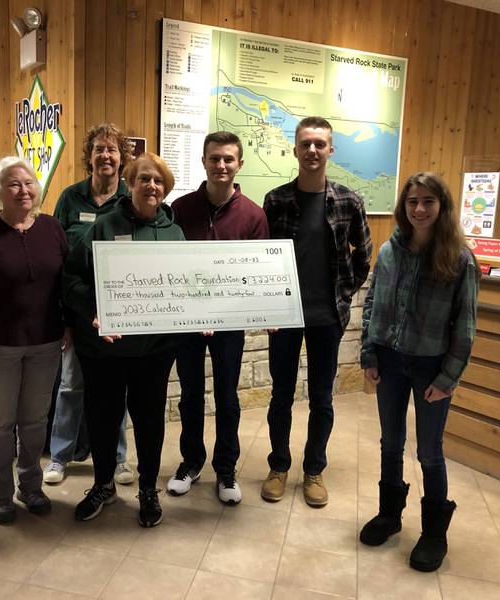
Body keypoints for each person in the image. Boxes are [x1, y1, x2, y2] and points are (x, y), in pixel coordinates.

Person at [359, 172, 479, 572]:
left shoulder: (459, 258)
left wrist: (448, 380)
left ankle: (433, 534)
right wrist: (368, 353)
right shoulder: (390, 251)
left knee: (429, 452)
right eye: (412, 202)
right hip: (389, 361)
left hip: (432, 368)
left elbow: (465, 325)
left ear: (441, 206)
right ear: (403, 206)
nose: (420, 209)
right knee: (390, 443)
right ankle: (389, 516)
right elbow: (373, 303)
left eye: (428, 201)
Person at [65, 152, 184, 528]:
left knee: (150, 419)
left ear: (165, 189)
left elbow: (187, 284)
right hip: (105, 348)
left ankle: (148, 488)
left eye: (159, 181)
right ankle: (103, 484)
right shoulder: (102, 226)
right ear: (129, 182)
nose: (151, 186)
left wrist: (202, 314)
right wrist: (93, 311)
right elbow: (72, 279)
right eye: (144, 179)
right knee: (103, 417)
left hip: (155, 350)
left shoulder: (174, 233)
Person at [261, 116, 372, 506]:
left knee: (322, 398)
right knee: (280, 396)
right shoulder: (275, 200)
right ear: (295, 149)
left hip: (328, 320)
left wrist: (342, 295)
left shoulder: (348, 200)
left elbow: (363, 258)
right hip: (284, 319)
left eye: (319, 144)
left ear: (330, 151)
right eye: (305, 143)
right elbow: (262, 259)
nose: (312, 150)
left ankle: (314, 470)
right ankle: (278, 466)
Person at [0, 157, 70, 524]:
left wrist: (68, 324)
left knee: (35, 421)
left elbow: (66, 283)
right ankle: (1, 494)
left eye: (29, 183)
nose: (24, 191)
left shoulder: (52, 229)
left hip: (46, 343)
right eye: (14, 184)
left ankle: (31, 487)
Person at [166, 131, 269, 505]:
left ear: (239, 163)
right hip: (187, 324)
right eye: (214, 158)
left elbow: (257, 274)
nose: (221, 165)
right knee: (190, 395)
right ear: (204, 161)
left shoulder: (254, 216)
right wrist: (194, 311)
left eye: (228, 159)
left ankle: (226, 469)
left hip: (229, 325)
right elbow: (170, 267)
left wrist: (265, 309)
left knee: (227, 397)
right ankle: (191, 463)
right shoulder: (179, 208)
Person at [44, 123, 135, 486]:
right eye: (99, 149)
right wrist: (64, 319)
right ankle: (59, 458)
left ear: (122, 158)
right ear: (89, 157)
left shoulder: (132, 199)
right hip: (79, 314)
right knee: (70, 386)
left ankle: (120, 461)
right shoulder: (70, 198)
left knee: (118, 391)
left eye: (112, 150)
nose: (106, 155)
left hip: (120, 314)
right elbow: (55, 258)